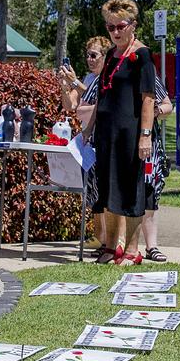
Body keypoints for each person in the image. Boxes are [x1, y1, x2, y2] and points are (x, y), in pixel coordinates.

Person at [84, 0, 158, 266]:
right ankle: (112, 246)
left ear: (133, 25)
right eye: (110, 27)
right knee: (107, 189)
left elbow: (148, 98)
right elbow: (102, 97)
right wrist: (89, 129)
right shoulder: (112, 56)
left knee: (130, 190)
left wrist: (145, 135)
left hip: (131, 133)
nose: (115, 32)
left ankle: (132, 249)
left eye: (120, 26)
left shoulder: (142, 55)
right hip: (106, 134)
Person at [59, 36, 110, 257]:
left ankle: (108, 240)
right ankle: (100, 238)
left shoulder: (106, 78)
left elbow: (99, 97)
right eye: (87, 55)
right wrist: (64, 86)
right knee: (92, 193)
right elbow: (70, 104)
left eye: (94, 55)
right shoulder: (88, 77)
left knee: (103, 192)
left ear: (105, 56)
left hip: (103, 139)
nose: (89, 59)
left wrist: (76, 83)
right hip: (87, 142)